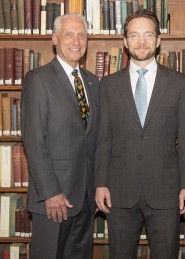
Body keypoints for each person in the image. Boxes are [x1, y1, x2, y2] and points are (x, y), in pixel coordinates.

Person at [94, 9, 185, 259]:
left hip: (166, 190)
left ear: (158, 40)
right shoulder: (108, 85)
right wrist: (100, 183)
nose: (142, 41)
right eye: (135, 35)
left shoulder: (179, 83)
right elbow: (103, 138)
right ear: (125, 42)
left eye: (148, 34)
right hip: (119, 190)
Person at [21, 14, 100, 259]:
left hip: (86, 198)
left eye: (82, 34)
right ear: (55, 38)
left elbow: (93, 138)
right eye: (69, 34)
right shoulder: (38, 79)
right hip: (54, 200)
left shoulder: (93, 82)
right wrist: (50, 192)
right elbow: (34, 141)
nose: (76, 41)